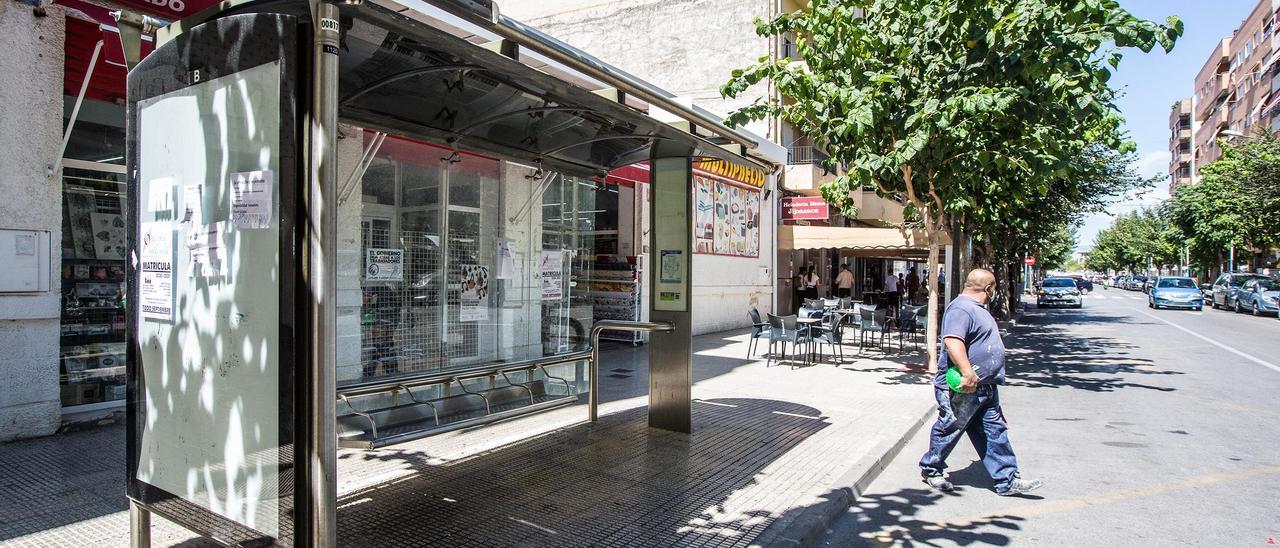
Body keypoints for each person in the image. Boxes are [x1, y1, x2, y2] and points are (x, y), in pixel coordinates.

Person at [919, 269, 1042, 496]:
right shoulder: (961, 308)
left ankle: (1007, 479)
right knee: (951, 427)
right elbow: (952, 341)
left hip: (984, 385)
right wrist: (967, 373)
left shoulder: (976, 309)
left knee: (994, 431)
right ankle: (931, 468)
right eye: (994, 288)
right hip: (965, 385)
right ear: (989, 289)